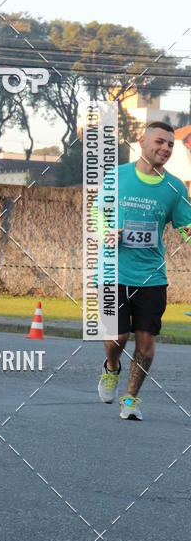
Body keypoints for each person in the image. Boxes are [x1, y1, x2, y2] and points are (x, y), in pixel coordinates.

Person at [97, 122, 191, 420]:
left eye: (170, 145)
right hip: (113, 271)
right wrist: (107, 232)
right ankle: (112, 367)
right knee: (117, 336)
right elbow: (98, 214)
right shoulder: (117, 176)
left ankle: (130, 399)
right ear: (142, 141)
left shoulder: (175, 187)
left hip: (152, 276)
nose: (165, 148)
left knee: (146, 340)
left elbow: (185, 226)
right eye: (160, 142)